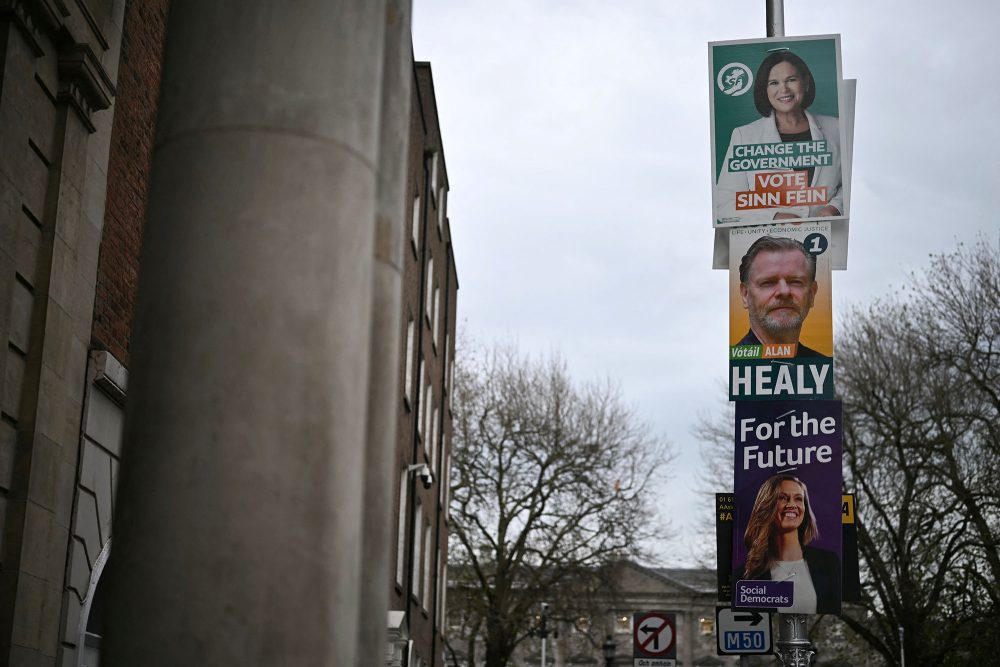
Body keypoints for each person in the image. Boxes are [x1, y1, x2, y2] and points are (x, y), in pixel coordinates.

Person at [714, 50, 843, 224]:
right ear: (765, 90)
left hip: (827, 240)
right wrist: (773, 217)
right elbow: (723, 205)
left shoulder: (835, 127)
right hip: (767, 242)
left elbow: (849, 183)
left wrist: (835, 206)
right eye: (774, 83)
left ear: (805, 83)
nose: (784, 89)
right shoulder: (745, 135)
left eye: (791, 80)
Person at [737, 474, 841, 615]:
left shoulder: (828, 563)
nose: (792, 505)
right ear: (767, 505)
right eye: (782, 498)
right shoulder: (746, 574)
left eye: (798, 499)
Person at [736, 235, 826, 358]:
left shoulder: (822, 366)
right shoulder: (736, 371)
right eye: (768, 282)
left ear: (812, 293)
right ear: (745, 295)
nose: (784, 292)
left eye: (795, 281)